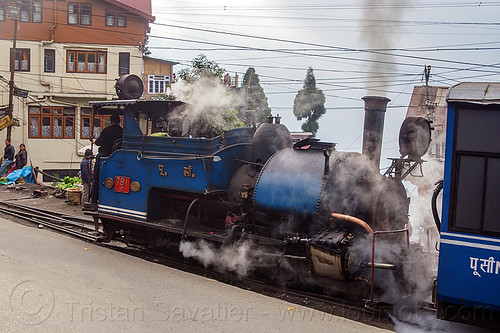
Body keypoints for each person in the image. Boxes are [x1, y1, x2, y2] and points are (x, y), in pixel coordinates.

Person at [86, 112, 122, 209]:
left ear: (111, 121)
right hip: (119, 156)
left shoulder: (107, 130)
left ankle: (94, 200)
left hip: (105, 155)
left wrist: (92, 140)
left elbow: (99, 142)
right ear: (119, 121)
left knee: (97, 177)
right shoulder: (122, 131)